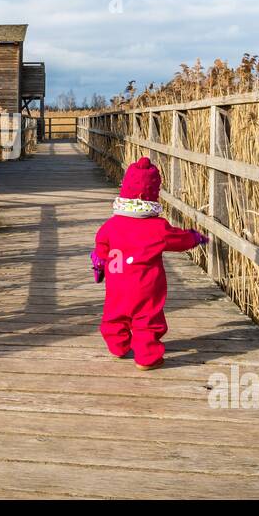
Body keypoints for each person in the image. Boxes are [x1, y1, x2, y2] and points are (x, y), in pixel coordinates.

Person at [91, 157, 208, 370]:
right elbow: (178, 240)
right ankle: (147, 358)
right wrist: (195, 238)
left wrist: (99, 265)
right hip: (145, 285)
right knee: (146, 319)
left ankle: (118, 346)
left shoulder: (111, 225)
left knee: (114, 313)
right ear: (152, 194)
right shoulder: (157, 227)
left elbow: (101, 246)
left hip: (117, 282)